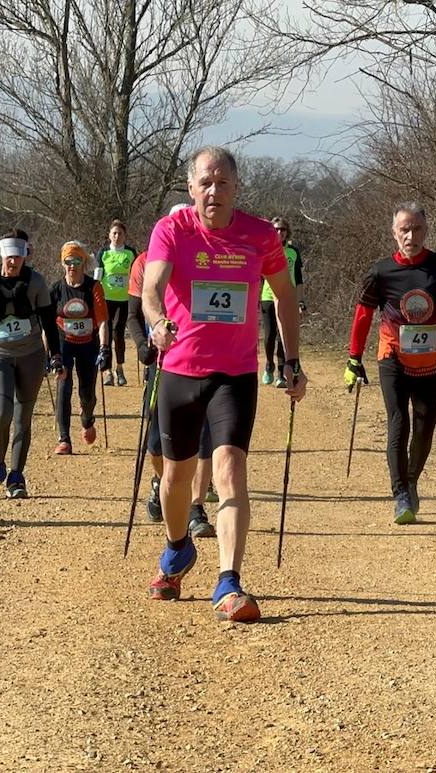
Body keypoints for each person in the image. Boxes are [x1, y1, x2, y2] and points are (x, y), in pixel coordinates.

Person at [141, 146, 307, 623]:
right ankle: (177, 550)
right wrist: (156, 323)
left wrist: (292, 361)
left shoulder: (259, 236)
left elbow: (285, 296)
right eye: (205, 182)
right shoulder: (171, 230)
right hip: (179, 368)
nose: (214, 191)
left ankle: (228, 582)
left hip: (235, 374)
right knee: (174, 477)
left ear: (237, 188)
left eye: (223, 183)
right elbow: (153, 288)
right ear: (191, 187)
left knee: (230, 469)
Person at [346, 203, 436, 525]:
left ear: (426, 232)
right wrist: (353, 357)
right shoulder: (381, 271)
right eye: (404, 229)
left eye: (416, 229)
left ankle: (412, 479)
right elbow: (362, 316)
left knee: (425, 428)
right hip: (393, 359)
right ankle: (400, 494)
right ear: (394, 232)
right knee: (398, 423)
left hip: (432, 361)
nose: (410, 235)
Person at [127, 216, 218, 539]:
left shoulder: (210, 256)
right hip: (162, 360)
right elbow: (134, 313)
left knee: (205, 437)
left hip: (205, 360)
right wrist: (143, 344)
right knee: (155, 443)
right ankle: (163, 482)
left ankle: (195, 506)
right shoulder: (144, 261)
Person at [0, 229, 65, 499]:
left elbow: (49, 323)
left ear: (24, 256)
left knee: (22, 418)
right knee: (1, 413)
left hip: (31, 356)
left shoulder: (36, 283)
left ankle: (16, 477)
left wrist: (56, 357)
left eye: (18, 257)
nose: (14, 262)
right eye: (9, 257)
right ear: (2, 255)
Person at [49, 241, 109, 455]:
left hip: (88, 345)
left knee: (87, 393)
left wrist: (104, 348)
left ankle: (87, 419)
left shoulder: (93, 287)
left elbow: (102, 321)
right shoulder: (55, 289)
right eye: (68, 261)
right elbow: (47, 324)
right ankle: (64, 438)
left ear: (84, 263)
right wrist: (51, 354)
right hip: (64, 343)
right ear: (62, 264)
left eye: (77, 261)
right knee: (64, 389)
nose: (72, 266)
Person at [259, 216, 305, 387]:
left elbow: (299, 278)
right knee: (270, 335)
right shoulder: (265, 250)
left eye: (282, 229)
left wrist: (300, 301)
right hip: (268, 297)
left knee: (283, 336)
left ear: (287, 232)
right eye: (276, 229)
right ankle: (269, 365)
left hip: (288, 298)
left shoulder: (293, 251)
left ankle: (281, 373)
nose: (280, 233)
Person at [97, 219, 137, 386]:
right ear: (109, 235)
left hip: (124, 299)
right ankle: (107, 371)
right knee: (105, 333)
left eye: (120, 233)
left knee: (118, 333)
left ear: (125, 236)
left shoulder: (130, 252)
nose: (117, 236)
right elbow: (97, 277)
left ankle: (119, 369)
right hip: (106, 299)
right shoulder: (103, 253)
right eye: (114, 233)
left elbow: (136, 275)